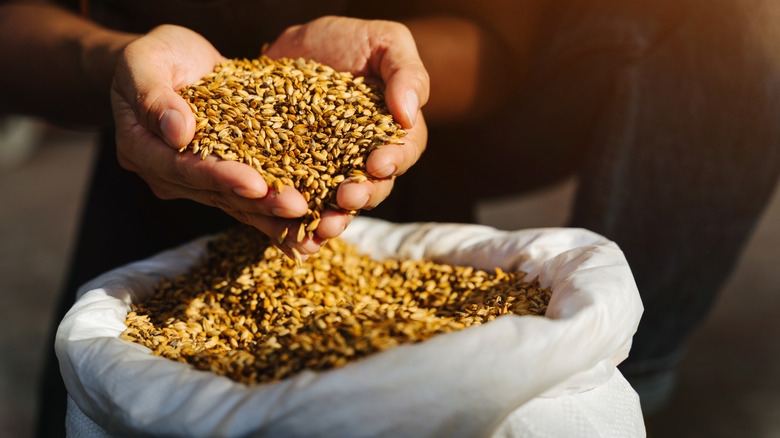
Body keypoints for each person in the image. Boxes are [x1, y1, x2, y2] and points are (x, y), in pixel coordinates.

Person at [1, 0, 778, 436]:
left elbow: (501, 41)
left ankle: (638, 361)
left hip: (425, 111)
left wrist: (394, 75)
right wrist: (114, 65)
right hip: (155, 107)